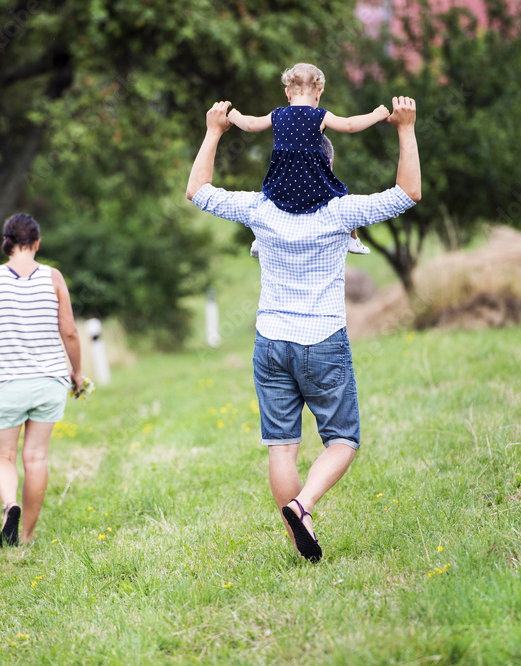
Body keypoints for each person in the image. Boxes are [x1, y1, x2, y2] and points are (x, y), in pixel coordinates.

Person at [185, 96, 421, 561]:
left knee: (281, 449)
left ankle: (300, 542)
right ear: (326, 166)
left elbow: (198, 190)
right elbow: (407, 193)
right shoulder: (341, 213)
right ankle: (304, 504)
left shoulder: (259, 210)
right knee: (342, 441)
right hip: (323, 342)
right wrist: (405, 128)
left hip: (270, 342)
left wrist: (214, 131)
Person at [0, 213, 85, 547]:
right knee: (36, 457)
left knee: (2, 457)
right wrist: (76, 372)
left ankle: (11, 505)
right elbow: (70, 331)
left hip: (6, 380)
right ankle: (27, 536)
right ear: (36, 243)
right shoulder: (54, 278)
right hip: (50, 381)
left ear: (6, 244)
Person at [228, 63, 389, 255]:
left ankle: (259, 240)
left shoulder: (277, 115)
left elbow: (251, 124)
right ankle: (351, 239)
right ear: (318, 93)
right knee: (341, 195)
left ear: (288, 93)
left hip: (281, 182)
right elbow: (349, 125)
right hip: (313, 182)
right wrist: (375, 115)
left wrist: (234, 115)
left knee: (266, 200)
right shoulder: (319, 116)